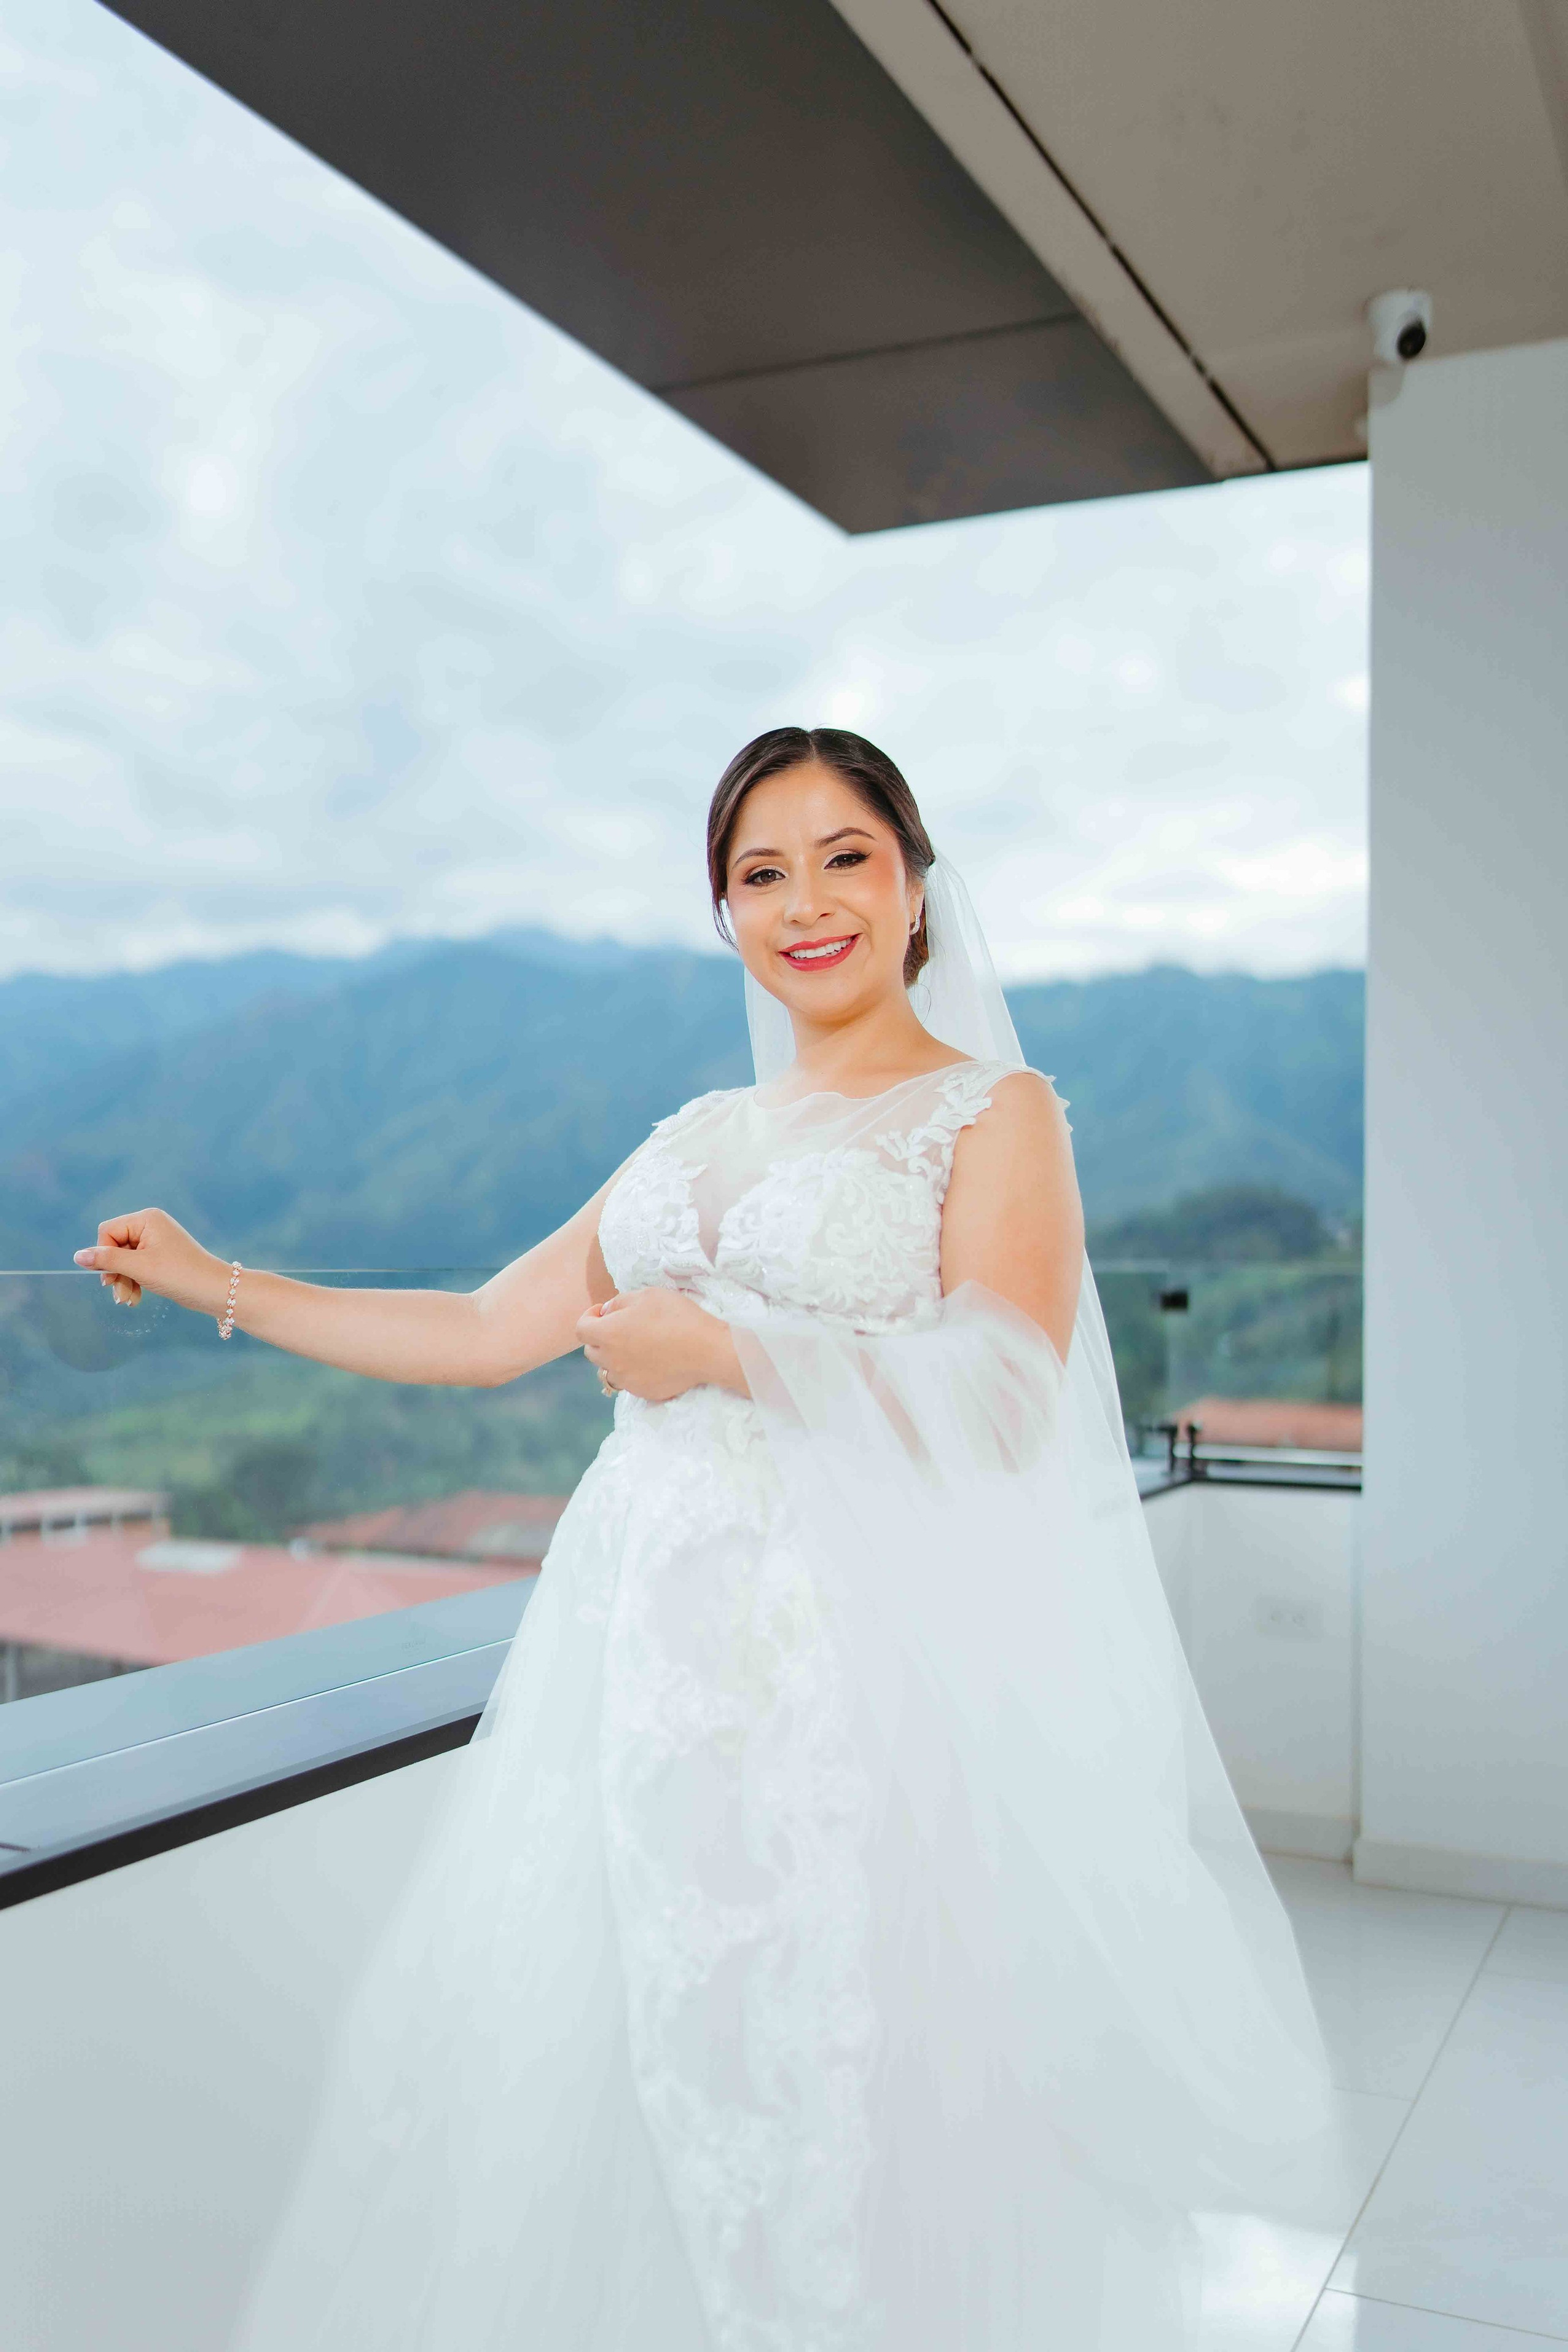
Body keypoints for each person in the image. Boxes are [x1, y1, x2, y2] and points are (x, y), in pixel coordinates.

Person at [76, 728, 1340, 2350]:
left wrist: (728, 1352)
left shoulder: (993, 1110)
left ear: (916, 885)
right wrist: (215, 1281)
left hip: (868, 1678)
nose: (807, 901)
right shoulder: (688, 1138)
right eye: (762, 872)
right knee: (648, 2058)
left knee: (848, 2078)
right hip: (647, 1676)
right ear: (726, 913)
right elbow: (483, 1329)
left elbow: (1010, 1391)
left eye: (845, 857)